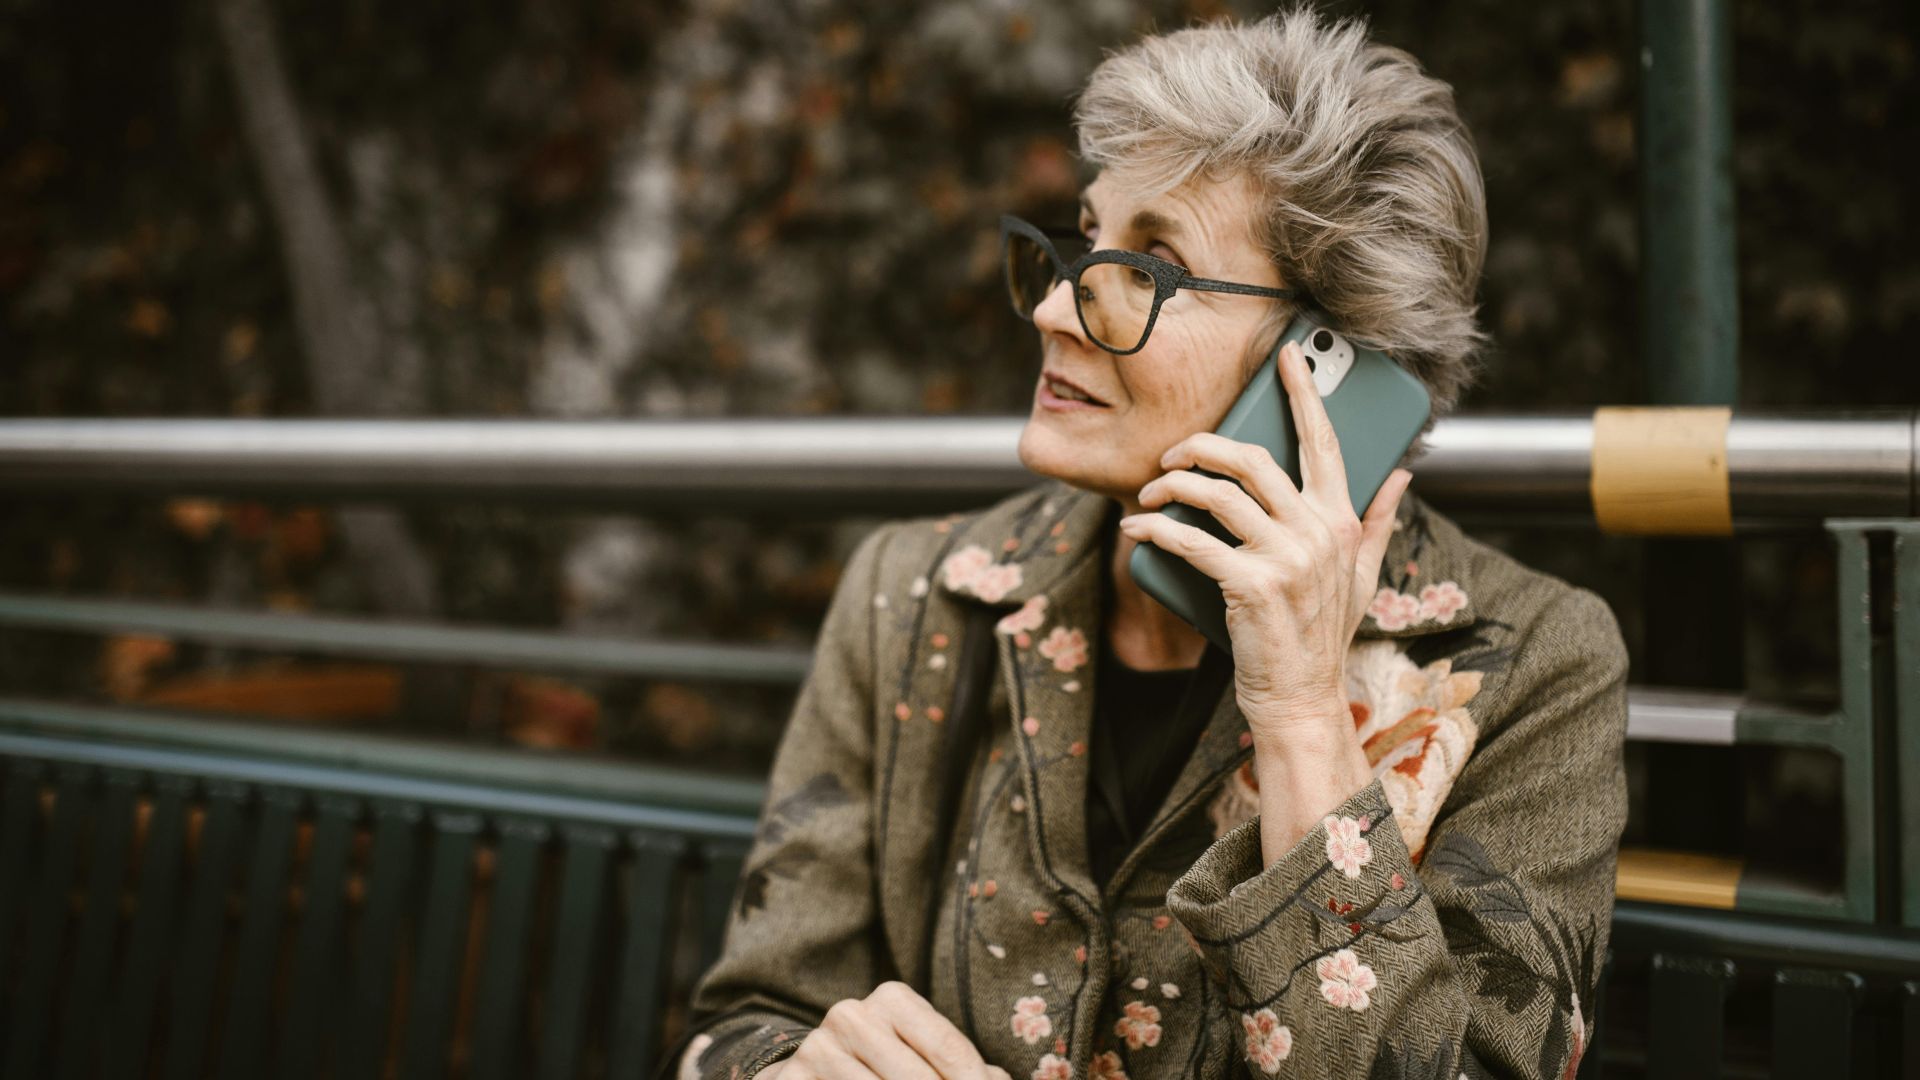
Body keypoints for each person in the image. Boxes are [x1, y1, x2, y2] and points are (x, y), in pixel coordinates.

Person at [671, 8, 1627, 1078]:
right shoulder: (918, 595)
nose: (1054, 308)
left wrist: (1304, 717)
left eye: (1151, 269)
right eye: (1086, 242)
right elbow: (743, 1017)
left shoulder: (1530, 666)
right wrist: (788, 1069)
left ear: (1332, 363)